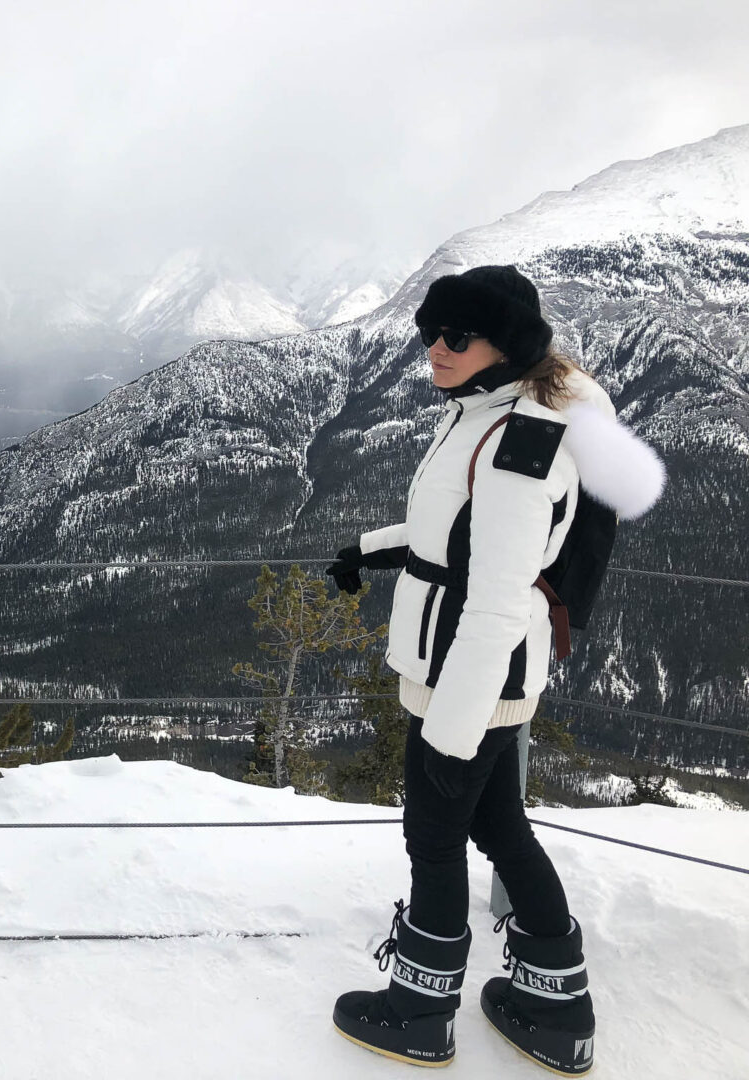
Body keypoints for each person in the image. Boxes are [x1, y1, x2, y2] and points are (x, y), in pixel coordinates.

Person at [323, 264, 664, 1074]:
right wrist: (367, 551)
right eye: (428, 333)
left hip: (468, 673)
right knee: (500, 826)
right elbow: (454, 532)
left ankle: (418, 1010)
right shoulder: (488, 409)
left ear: (501, 343)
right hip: (479, 672)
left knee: (433, 839)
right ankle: (555, 1006)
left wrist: (451, 724)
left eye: (456, 336)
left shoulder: (522, 443)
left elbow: (499, 596)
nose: (434, 349)